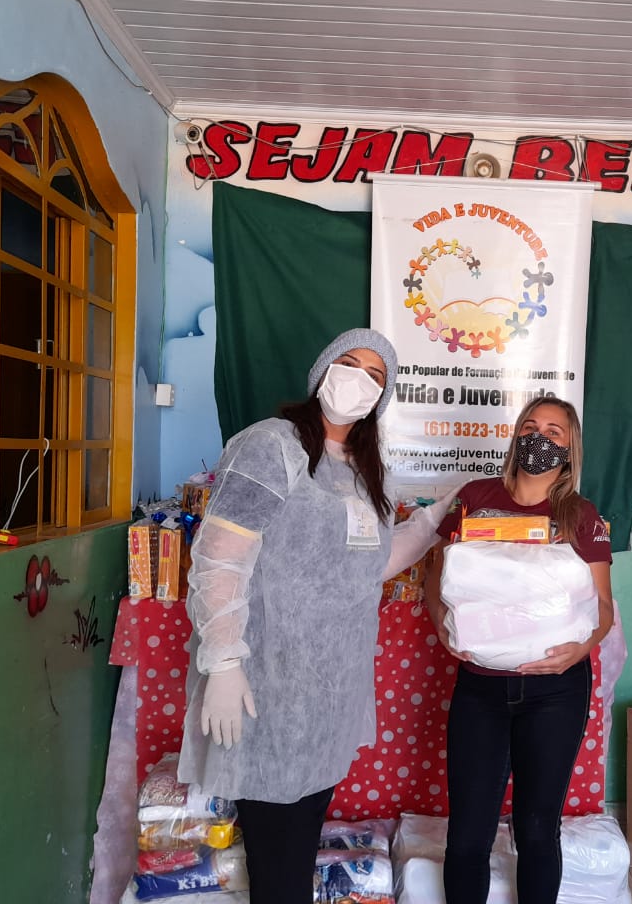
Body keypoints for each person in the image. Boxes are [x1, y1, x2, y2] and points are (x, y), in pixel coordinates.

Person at [177, 328, 447, 902]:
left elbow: (372, 561)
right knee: (275, 852)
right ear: (323, 370)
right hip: (266, 683)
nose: (359, 380)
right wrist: (223, 661)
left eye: (375, 375)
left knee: (298, 844)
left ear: (381, 397)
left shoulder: (364, 468)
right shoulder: (272, 447)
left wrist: (434, 520)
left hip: (328, 695)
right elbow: (220, 558)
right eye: (349, 363)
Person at [424, 395, 614, 904]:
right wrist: (442, 627)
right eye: (530, 427)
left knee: (536, 829)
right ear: (515, 437)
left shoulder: (580, 515)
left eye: (553, 431)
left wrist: (579, 649)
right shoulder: (475, 498)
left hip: (556, 691)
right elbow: (436, 577)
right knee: (468, 832)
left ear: (570, 448)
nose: (539, 438)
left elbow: (602, 608)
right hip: (481, 688)